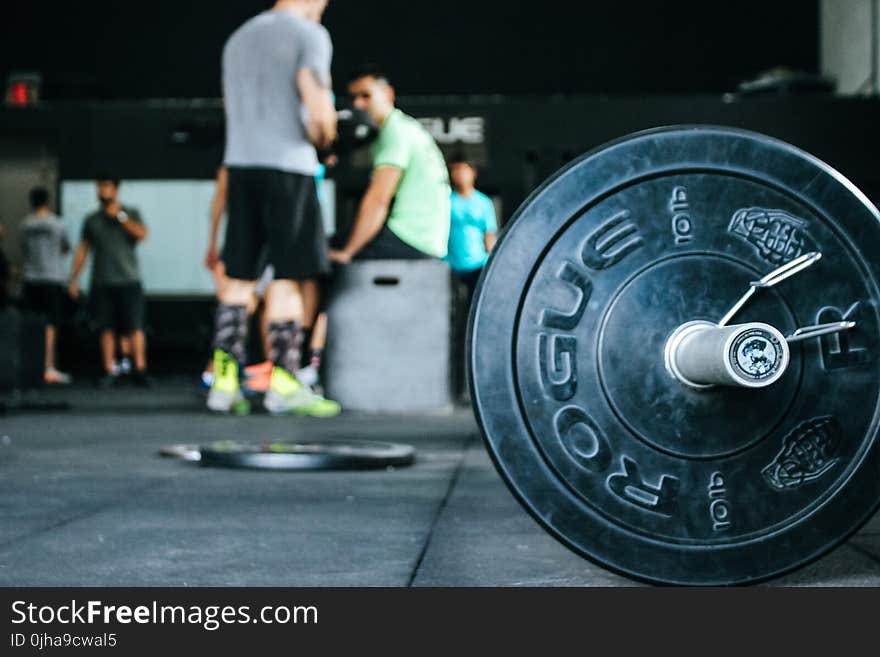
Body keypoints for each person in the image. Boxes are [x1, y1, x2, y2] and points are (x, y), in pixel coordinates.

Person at [210, 0, 339, 416]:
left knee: (238, 277)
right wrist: (327, 141)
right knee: (288, 277)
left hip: (242, 164)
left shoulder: (238, 38)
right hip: (289, 168)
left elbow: (231, 108)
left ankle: (224, 383)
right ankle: (283, 385)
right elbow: (317, 108)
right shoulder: (310, 35)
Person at [329, 67, 451, 263]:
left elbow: (378, 200)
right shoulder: (405, 127)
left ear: (388, 94)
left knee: (315, 254)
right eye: (353, 98)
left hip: (409, 239)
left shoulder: (394, 131)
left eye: (366, 95)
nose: (358, 104)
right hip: (429, 242)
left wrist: (348, 252)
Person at [68, 175, 152, 387]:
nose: (101, 191)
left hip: (129, 280)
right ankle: (109, 370)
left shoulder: (130, 214)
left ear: (115, 189)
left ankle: (139, 369)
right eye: (99, 186)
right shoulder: (92, 220)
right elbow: (82, 250)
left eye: (105, 186)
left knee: (135, 326)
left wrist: (121, 218)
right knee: (106, 327)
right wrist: (74, 279)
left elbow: (143, 235)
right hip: (102, 281)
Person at [19, 187, 73, 384]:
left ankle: (32, 368)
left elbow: (24, 249)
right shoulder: (57, 223)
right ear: (48, 201)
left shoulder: (24, 224)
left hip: (31, 279)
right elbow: (66, 248)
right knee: (50, 325)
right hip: (52, 279)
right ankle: (47, 368)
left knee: (33, 325)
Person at [445, 154, 497, 299]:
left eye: (462, 169)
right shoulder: (445, 201)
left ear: (472, 172)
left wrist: (493, 265)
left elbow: (489, 236)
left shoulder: (484, 202)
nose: (459, 174)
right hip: (451, 267)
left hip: (478, 267)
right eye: (454, 170)